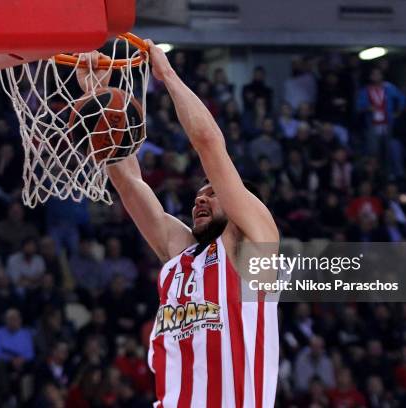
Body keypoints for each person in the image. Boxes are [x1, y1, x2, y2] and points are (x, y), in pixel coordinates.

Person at [76, 44, 280, 407]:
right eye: (198, 194)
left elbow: (210, 146)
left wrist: (167, 76)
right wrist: (96, 98)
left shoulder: (254, 244)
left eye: (213, 192)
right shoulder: (183, 258)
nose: (200, 198)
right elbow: (129, 183)